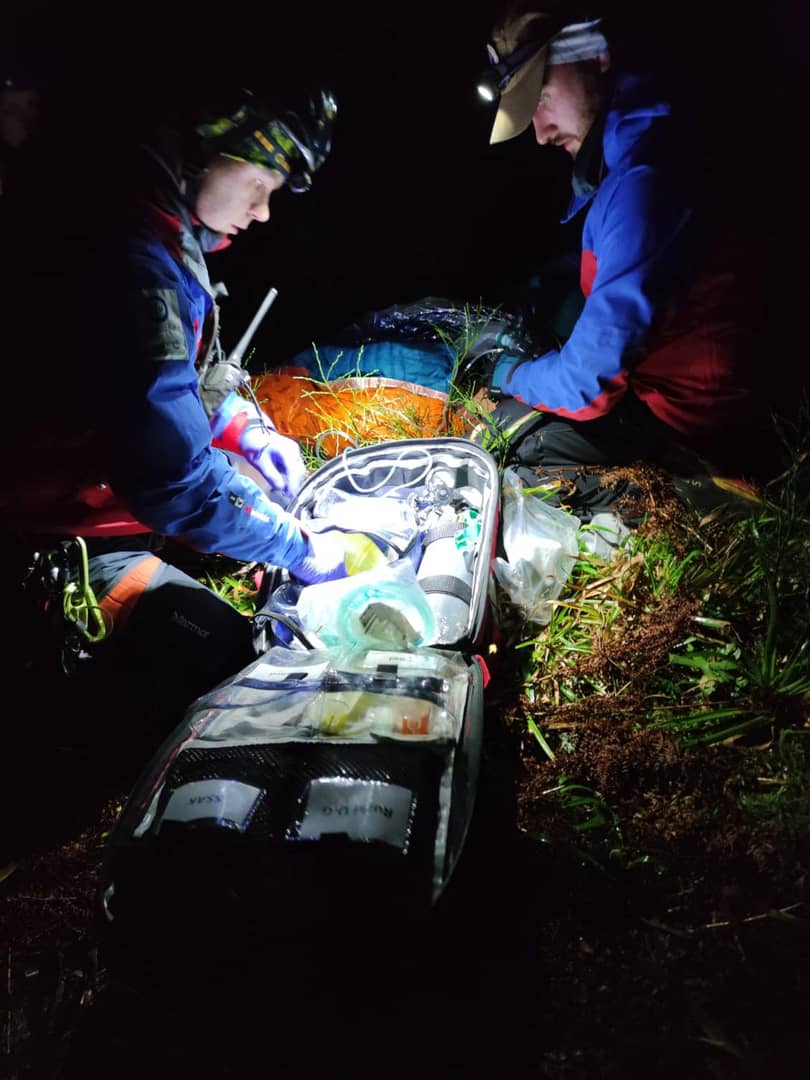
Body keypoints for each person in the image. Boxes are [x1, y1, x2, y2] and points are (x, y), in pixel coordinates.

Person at [0, 83, 356, 702]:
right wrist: (297, 547)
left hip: (105, 488)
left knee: (242, 485)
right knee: (244, 674)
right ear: (209, 146)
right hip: (53, 529)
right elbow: (174, 482)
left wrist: (247, 429)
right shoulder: (130, 258)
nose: (263, 211)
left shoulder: (154, 222)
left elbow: (167, 383)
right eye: (261, 183)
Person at [472, 2, 776, 512]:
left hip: (693, 414)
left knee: (518, 445)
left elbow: (586, 386)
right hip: (684, 380)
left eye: (541, 98)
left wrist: (508, 373)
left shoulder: (643, 180)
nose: (541, 133)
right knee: (559, 320)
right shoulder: (642, 143)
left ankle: (698, 493)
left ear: (597, 55)